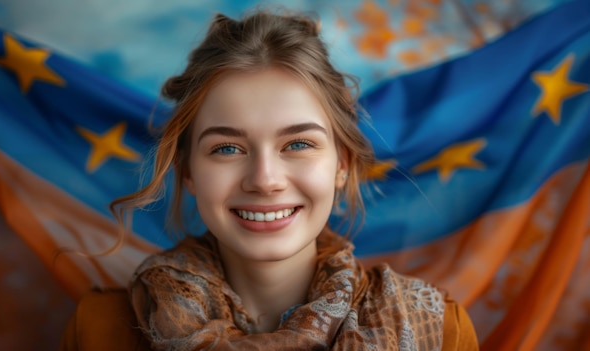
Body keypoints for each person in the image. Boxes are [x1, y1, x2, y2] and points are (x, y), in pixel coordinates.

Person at [60, 9, 478, 351]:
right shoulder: (99, 332)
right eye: (227, 148)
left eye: (297, 144)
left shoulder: (440, 334)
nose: (265, 180)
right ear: (188, 171)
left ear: (342, 163)